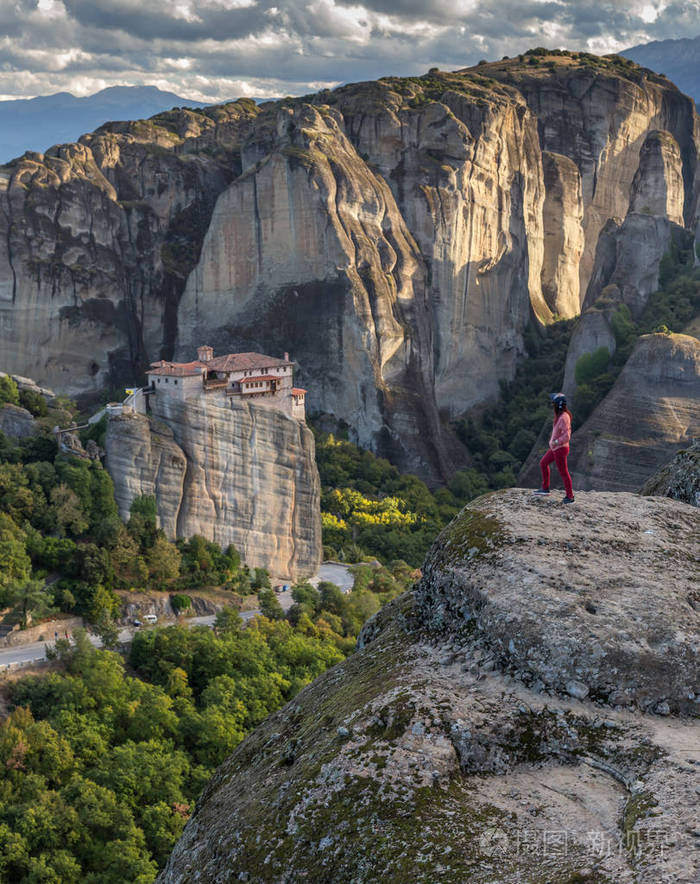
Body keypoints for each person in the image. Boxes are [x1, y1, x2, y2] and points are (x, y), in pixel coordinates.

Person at [533, 393, 574, 503]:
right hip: (556, 448)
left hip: (560, 449)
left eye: (553, 403)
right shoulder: (560, 416)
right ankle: (545, 488)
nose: (552, 405)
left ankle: (570, 497)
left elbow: (567, 436)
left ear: (557, 405)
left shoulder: (564, 417)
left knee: (564, 473)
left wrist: (556, 442)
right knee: (543, 463)